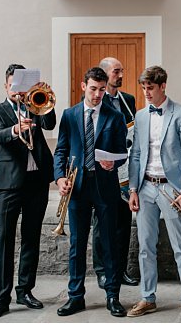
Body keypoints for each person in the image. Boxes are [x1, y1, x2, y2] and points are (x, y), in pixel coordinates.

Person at [124, 66, 181, 320]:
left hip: (171, 187)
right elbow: (136, 154)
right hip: (145, 186)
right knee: (145, 246)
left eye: (151, 88)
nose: (146, 93)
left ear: (163, 86)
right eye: (144, 88)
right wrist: (133, 188)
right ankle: (148, 298)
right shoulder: (140, 116)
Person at [53, 67, 129, 317]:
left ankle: (112, 296)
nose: (98, 94)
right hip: (77, 188)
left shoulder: (114, 116)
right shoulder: (69, 115)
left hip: (105, 186)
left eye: (102, 89)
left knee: (109, 243)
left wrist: (114, 162)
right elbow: (61, 150)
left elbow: (122, 152)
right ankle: (75, 296)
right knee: (77, 244)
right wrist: (60, 177)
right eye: (93, 89)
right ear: (83, 86)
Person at [0, 64, 57, 319]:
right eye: (14, 85)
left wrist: (46, 98)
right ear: (6, 86)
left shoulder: (34, 104)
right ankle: (0, 298)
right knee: (4, 241)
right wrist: (16, 129)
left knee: (31, 238)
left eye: (22, 85)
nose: (18, 90)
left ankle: (25, 290)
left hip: (37, 181)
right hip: (8, 185)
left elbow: (49, 123)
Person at [94, 56, 139, 288]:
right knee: (102, 224)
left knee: (123, 223)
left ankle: (120, 270)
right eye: (116, 72)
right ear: (104, 74)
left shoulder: (128, 99)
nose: (120, 75)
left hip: (124, 169)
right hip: (102, 170)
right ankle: (102, 271)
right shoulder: (95, 100)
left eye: (122, 71)